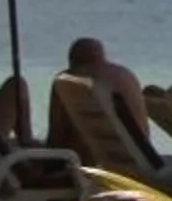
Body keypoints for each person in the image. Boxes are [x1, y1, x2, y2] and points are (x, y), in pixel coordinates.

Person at [49, 35, 162, 167]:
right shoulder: (124, 76)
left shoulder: (66, 83)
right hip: (143, 163)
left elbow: (56, 136)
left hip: (92, 170)